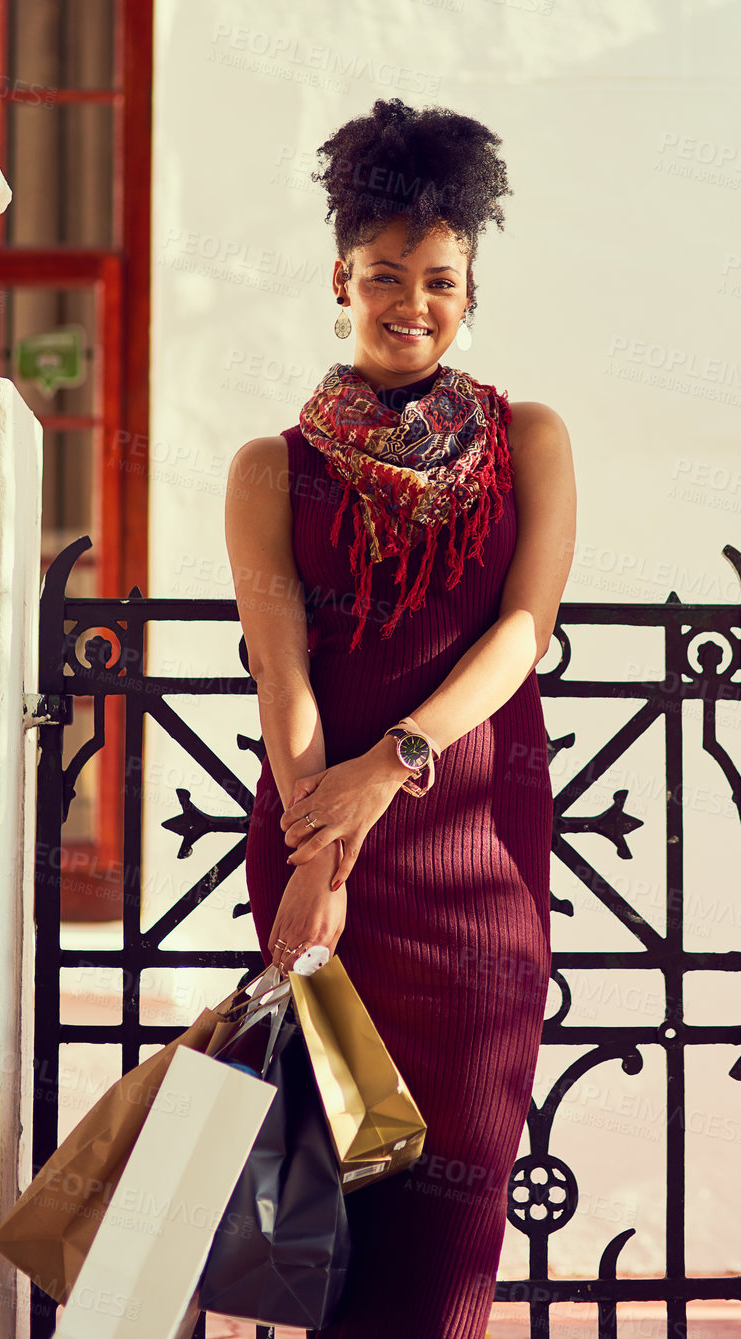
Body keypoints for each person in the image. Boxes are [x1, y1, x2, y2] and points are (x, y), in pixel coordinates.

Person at [226, 96, 577, 1339]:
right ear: (342, 278)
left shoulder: (528, 440)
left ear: (470, 289)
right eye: (385, 276)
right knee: (332, 1234)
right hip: (327, 865)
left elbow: (520, 637)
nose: (410, 302)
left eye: (439, 279)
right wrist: (322, 859)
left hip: (477, 877)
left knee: (447, 1245)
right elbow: (284, 678)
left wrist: (396, 766)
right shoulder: (273, 466)